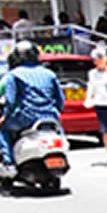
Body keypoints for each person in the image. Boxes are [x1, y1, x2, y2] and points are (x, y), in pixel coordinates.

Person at [0, 41, 63, 179]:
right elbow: (60, 100)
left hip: (25, 117)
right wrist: (56, 112)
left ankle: (8, 163)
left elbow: (10, 101)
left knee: (3, 129)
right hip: (50, 117)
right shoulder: (49, 74)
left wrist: (4, 116)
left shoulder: (13, 75)